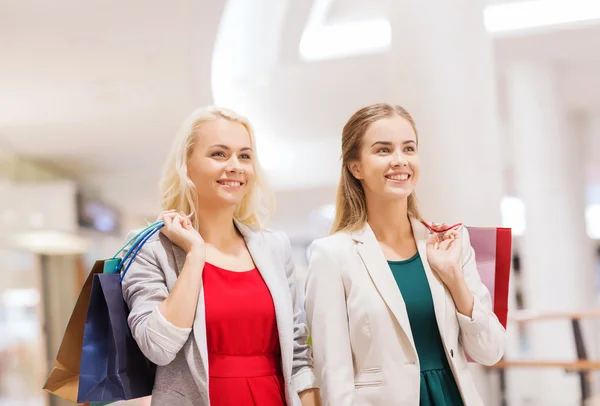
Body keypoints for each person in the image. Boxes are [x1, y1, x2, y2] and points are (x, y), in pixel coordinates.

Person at [304, 103, 506, 405]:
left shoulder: (450, 242)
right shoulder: (332, 256)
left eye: (408, 149)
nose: (400, 160)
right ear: (355, 166)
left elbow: (490, 351)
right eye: (383, 150)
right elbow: (334, 374)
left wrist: (454, 279)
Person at [122, 106, 319, 406]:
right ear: (186, 165)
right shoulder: (150, 250)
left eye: (244, 156)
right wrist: (195, 254)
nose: (235, 166)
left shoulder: (274, 248)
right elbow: (157, 346)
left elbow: (297, 354)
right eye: (218, 154)